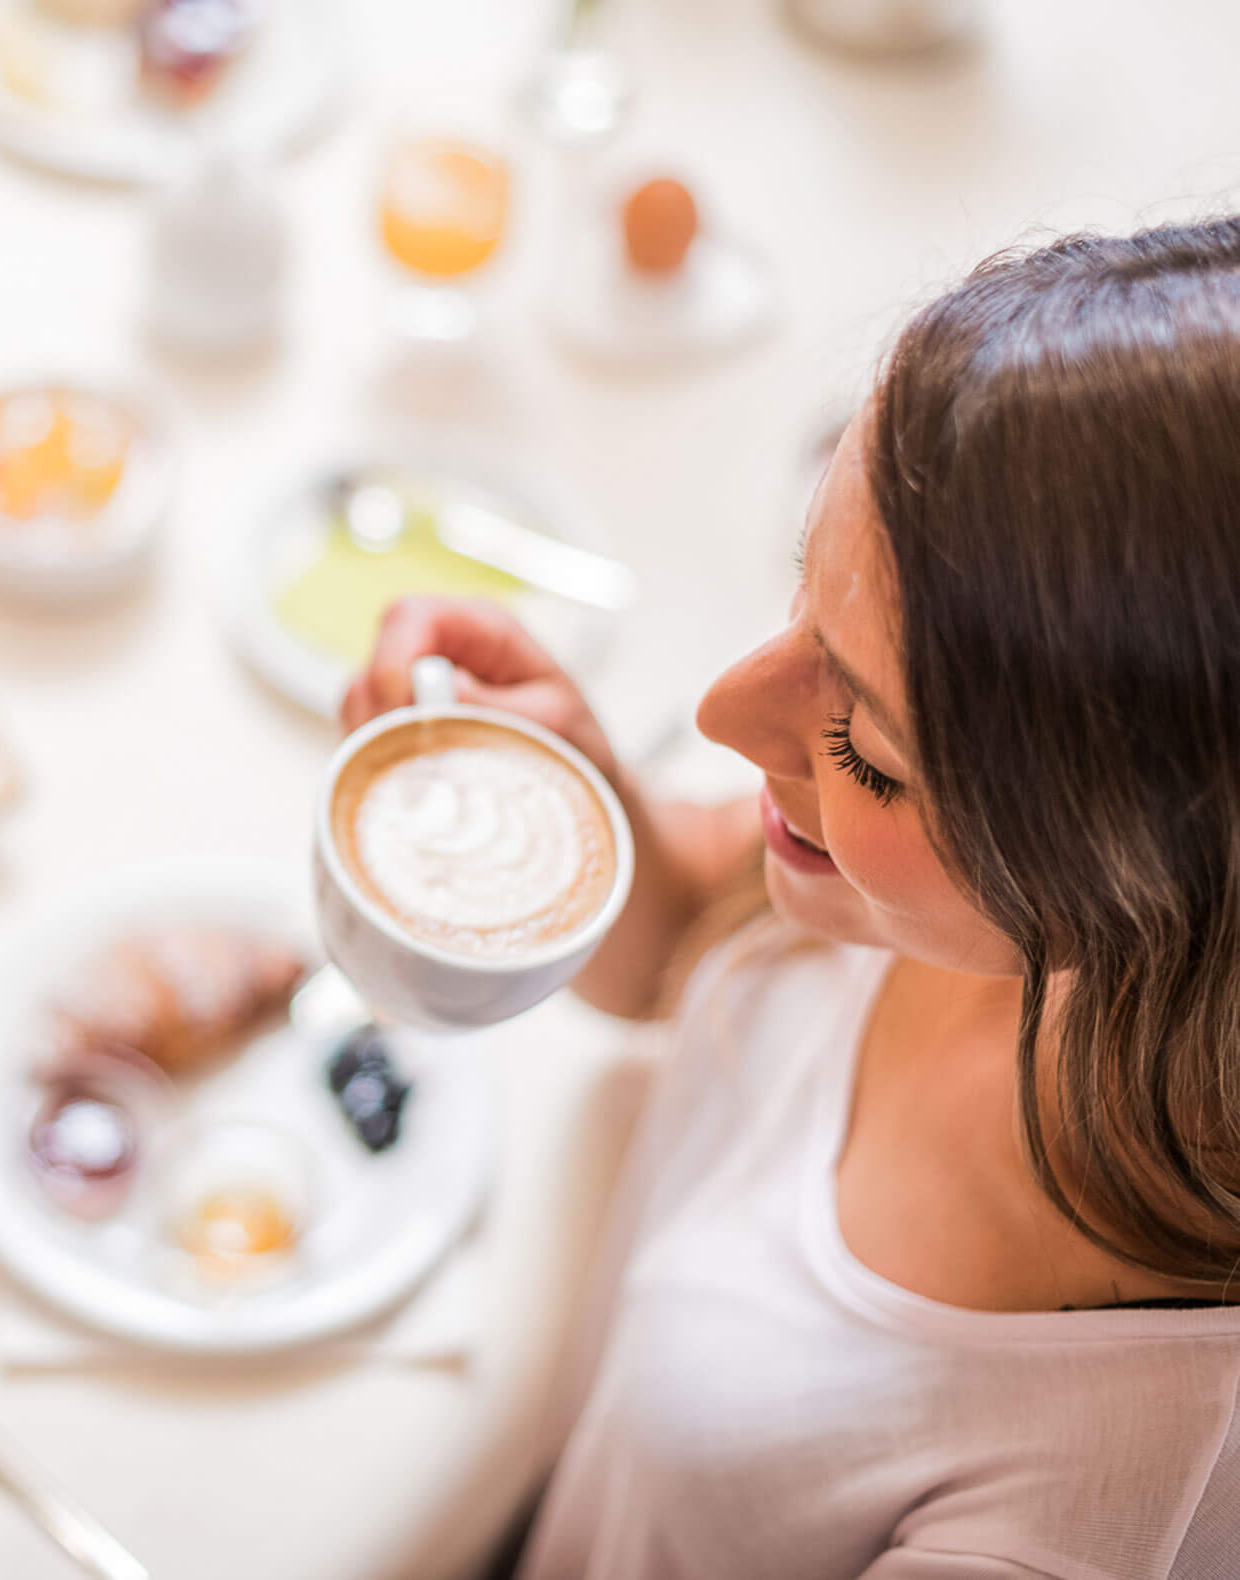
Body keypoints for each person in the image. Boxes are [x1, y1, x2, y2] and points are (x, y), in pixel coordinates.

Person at [344, 220, 1240, 1578]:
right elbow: (699, 941)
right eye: (802, 603)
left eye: (866, 749)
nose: (718, 712)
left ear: (1153, 876)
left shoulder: (1097, 1514)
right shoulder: (944, 905)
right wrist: (578, 795)